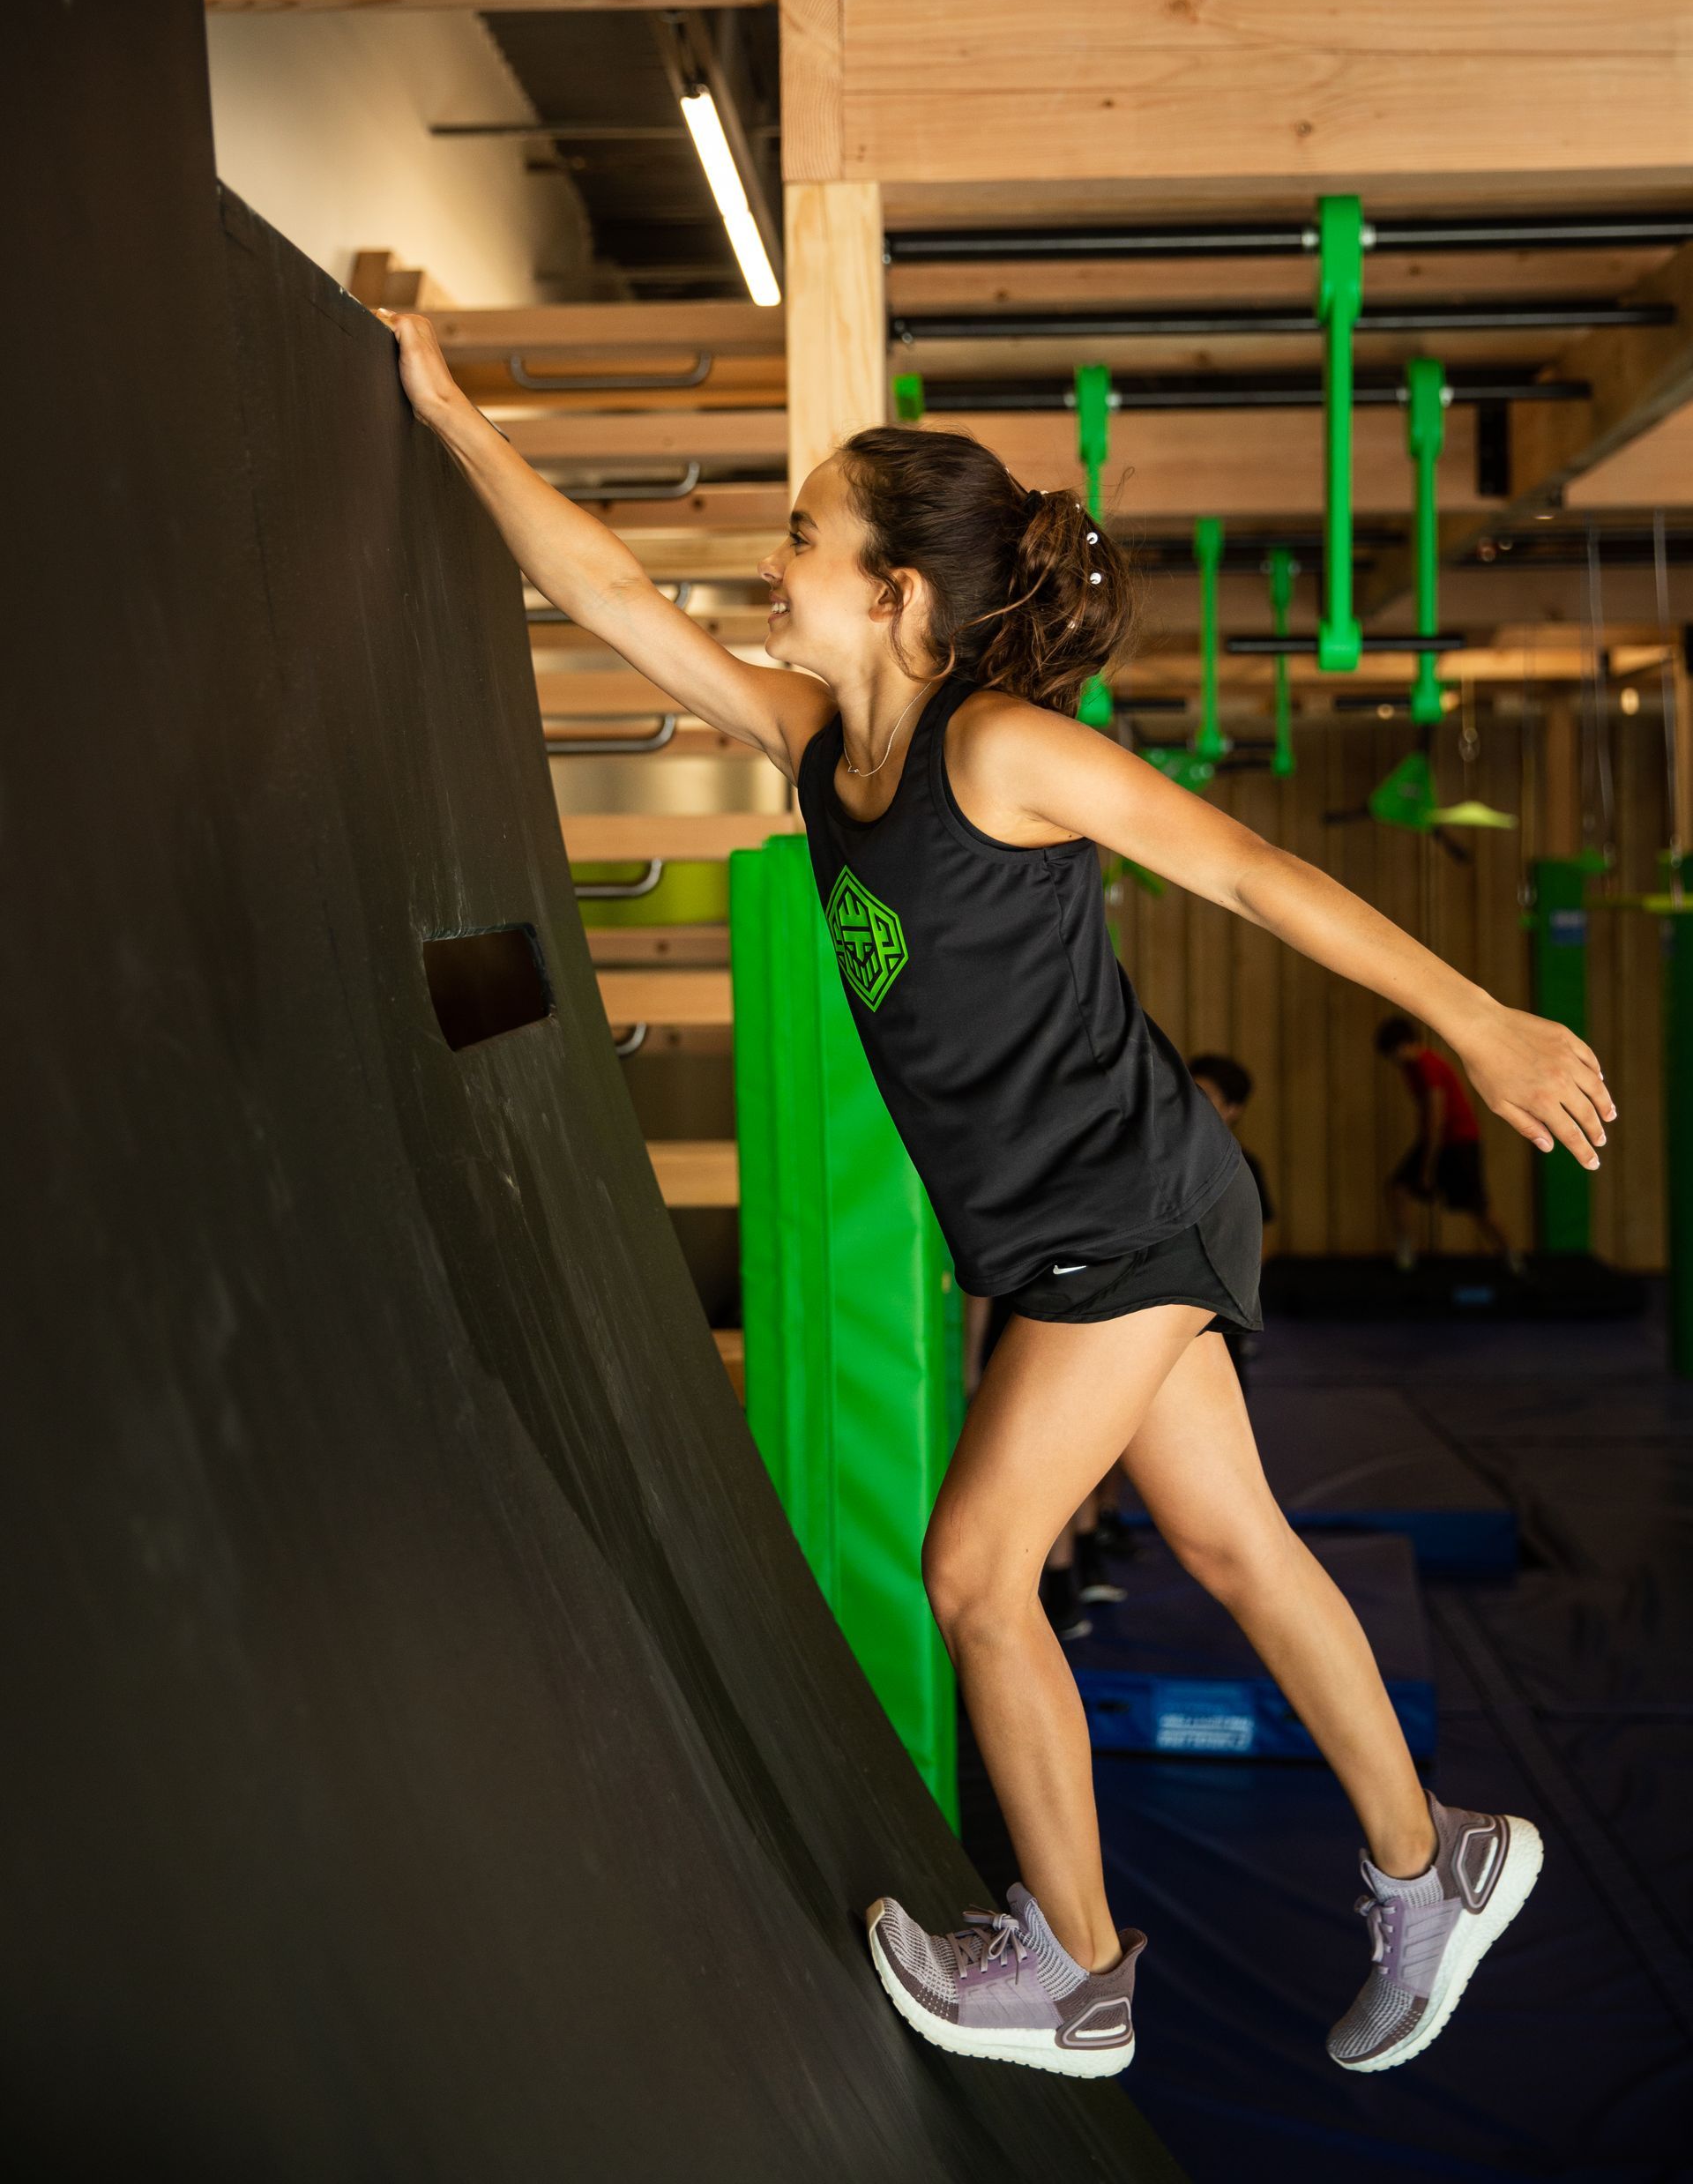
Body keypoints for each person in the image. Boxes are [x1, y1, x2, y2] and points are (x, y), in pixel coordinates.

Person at [381, 325, 1609, 2083]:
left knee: (973, 1570)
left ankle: (1082, 1970)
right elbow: (616, 600)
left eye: (805, 537)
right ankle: (1437, 1863)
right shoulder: (816, 742)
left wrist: (1481, 1020)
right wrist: (449, 413)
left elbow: (1251, 873)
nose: (775, 561)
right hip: (1071, 1233)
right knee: (1234, 1545)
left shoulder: (1007, 752)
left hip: (1128, 1211)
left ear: (894, 596)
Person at [1376, 1014, 1523, 1274]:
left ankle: (1513, 1260)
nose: (1394, 1061)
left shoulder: (1427, 1064)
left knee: (1479, 1207)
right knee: (1397, 1189)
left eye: (1394, 1053)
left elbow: (1436, 1119)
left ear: (1404, 1046)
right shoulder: (1410, 1069)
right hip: (1438, 1139)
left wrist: (1427, 1169)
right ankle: (1406, 1254)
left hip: (1459, 1141)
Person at [1188, 1052, 1274, 1379]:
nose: (1191, 1103)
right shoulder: (1163, 1160)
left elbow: (1265, 1232)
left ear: (1232, 1110)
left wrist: (1238, 1286)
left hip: (1216, 1300)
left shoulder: (1242, 1166)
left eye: (1205, 1096)